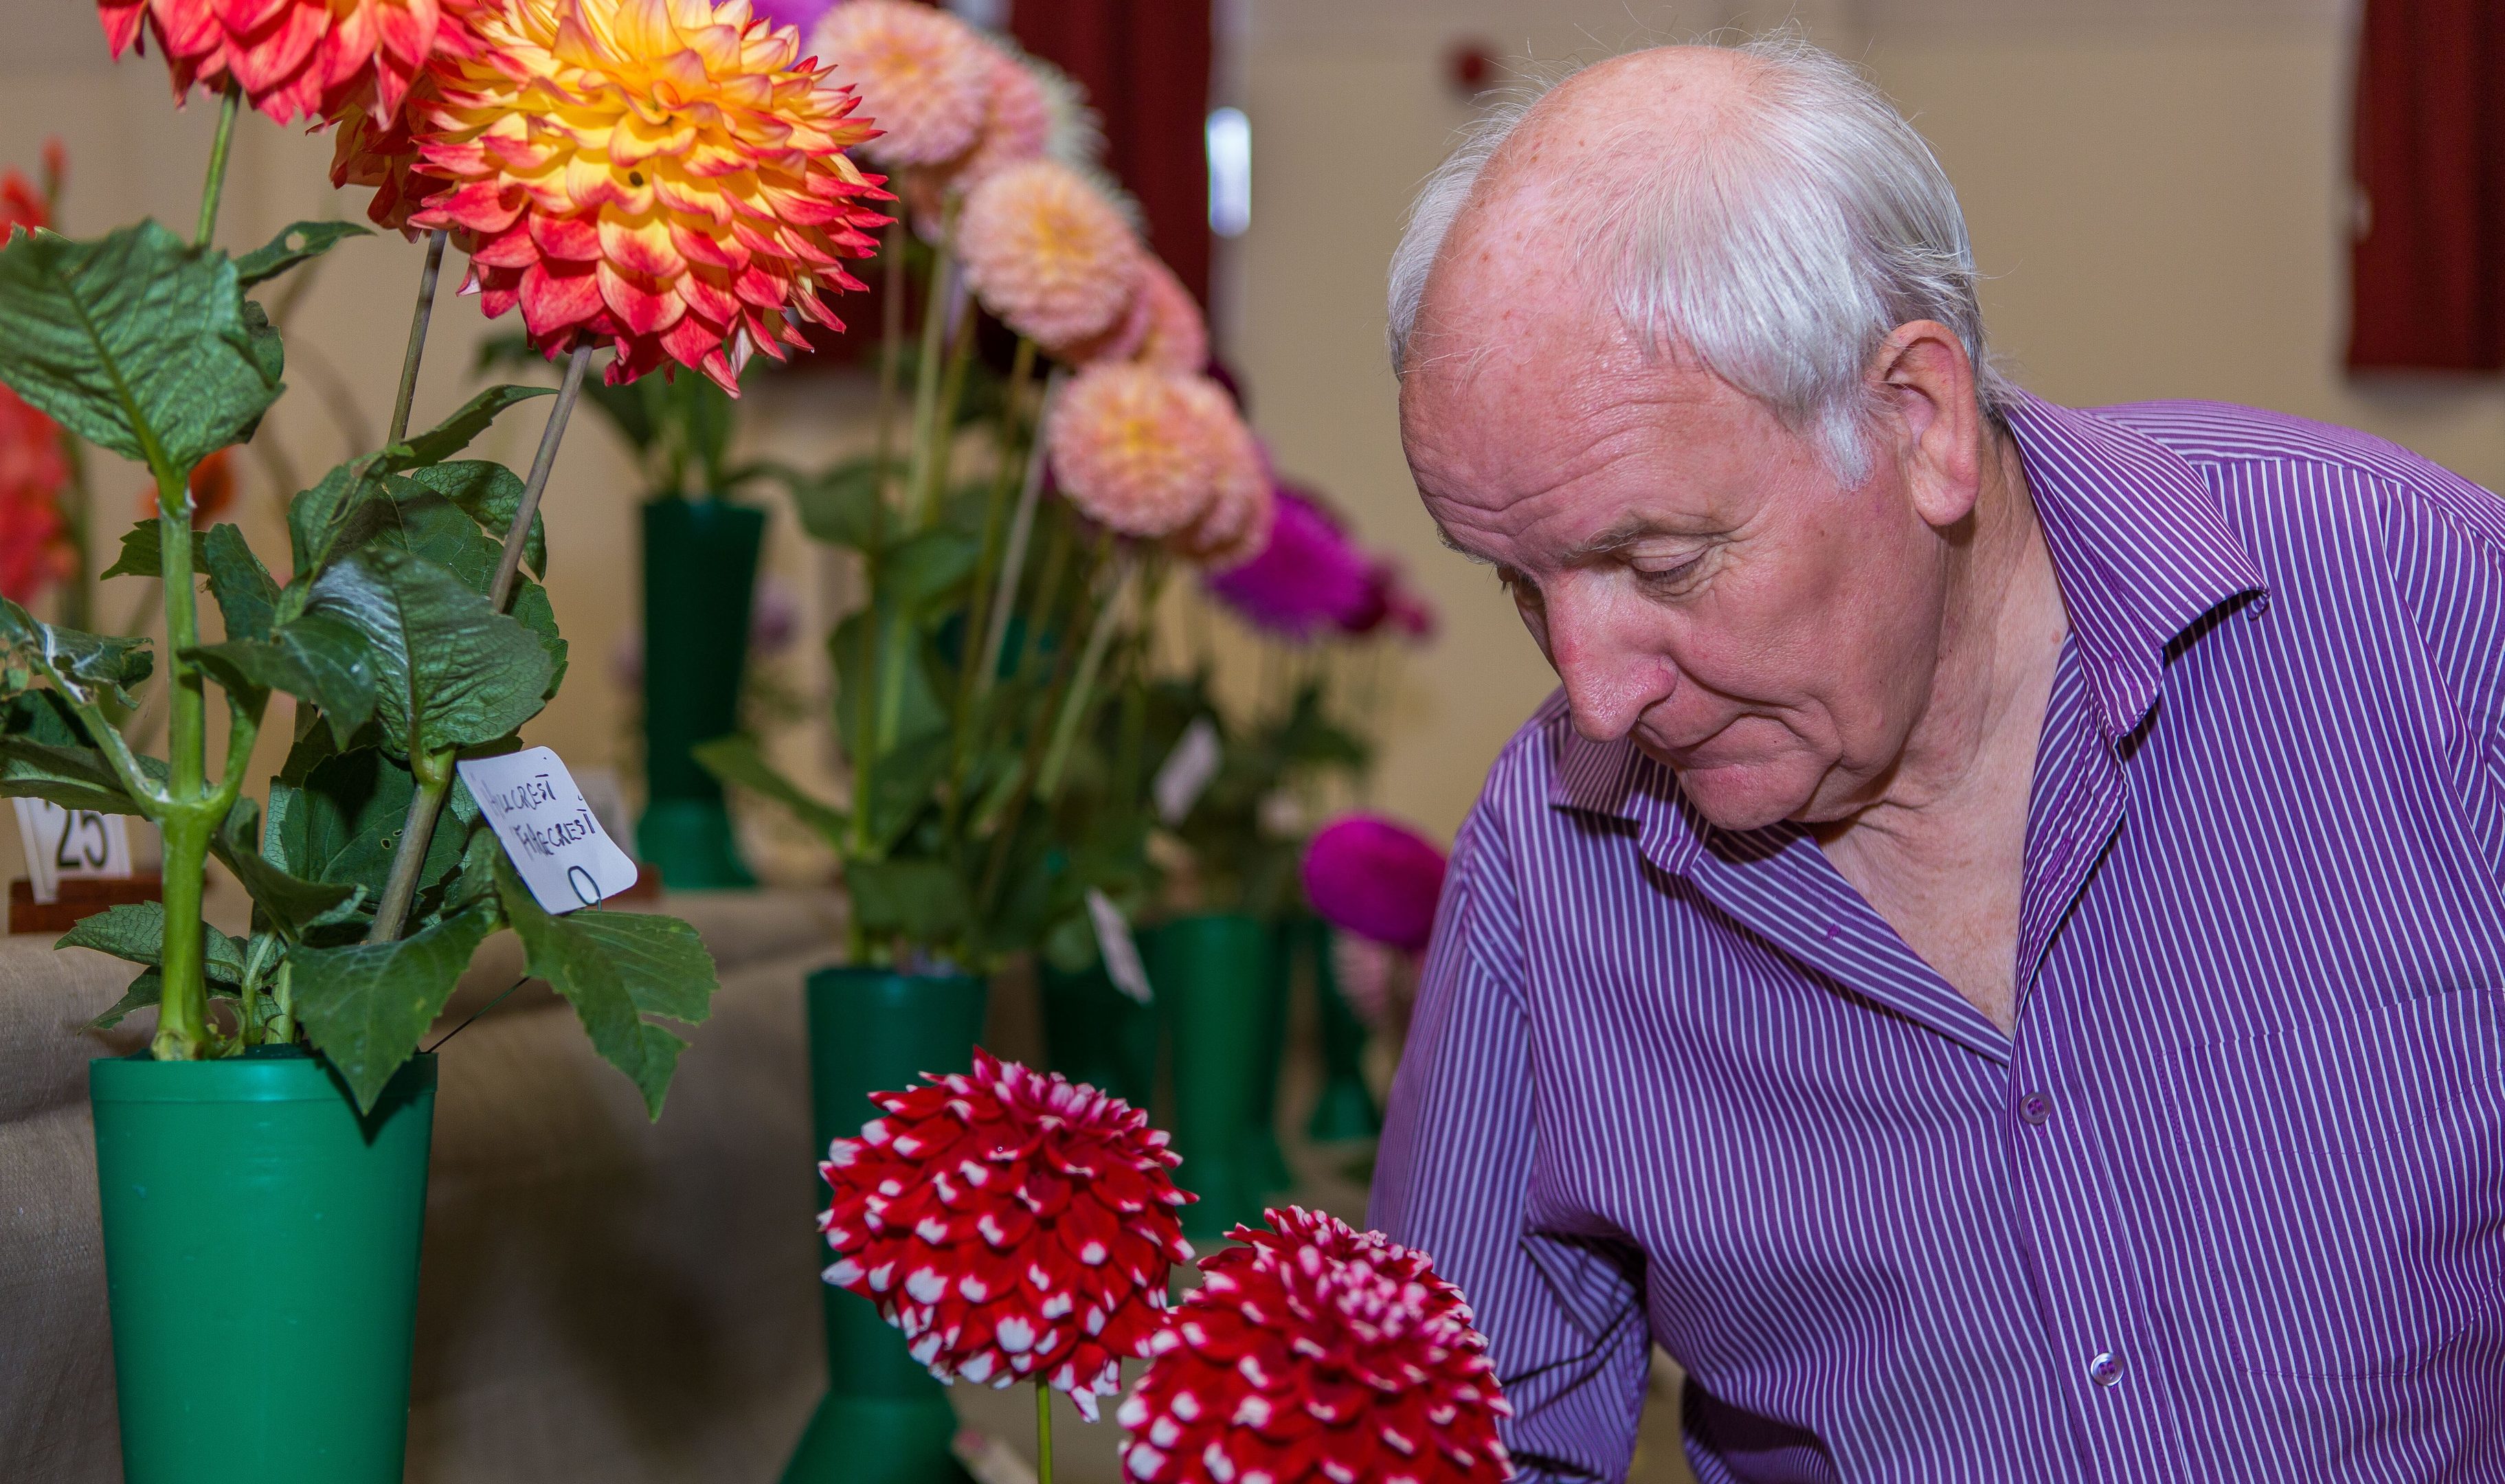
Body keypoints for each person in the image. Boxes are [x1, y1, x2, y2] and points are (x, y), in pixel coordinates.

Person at [1370, 33, 2505, 1484]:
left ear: (1914, 419)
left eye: (1656, 560)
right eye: (1522, 589)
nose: (1591, 699)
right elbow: (1447, 1438)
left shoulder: (2417, 614)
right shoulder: (1556, 850)